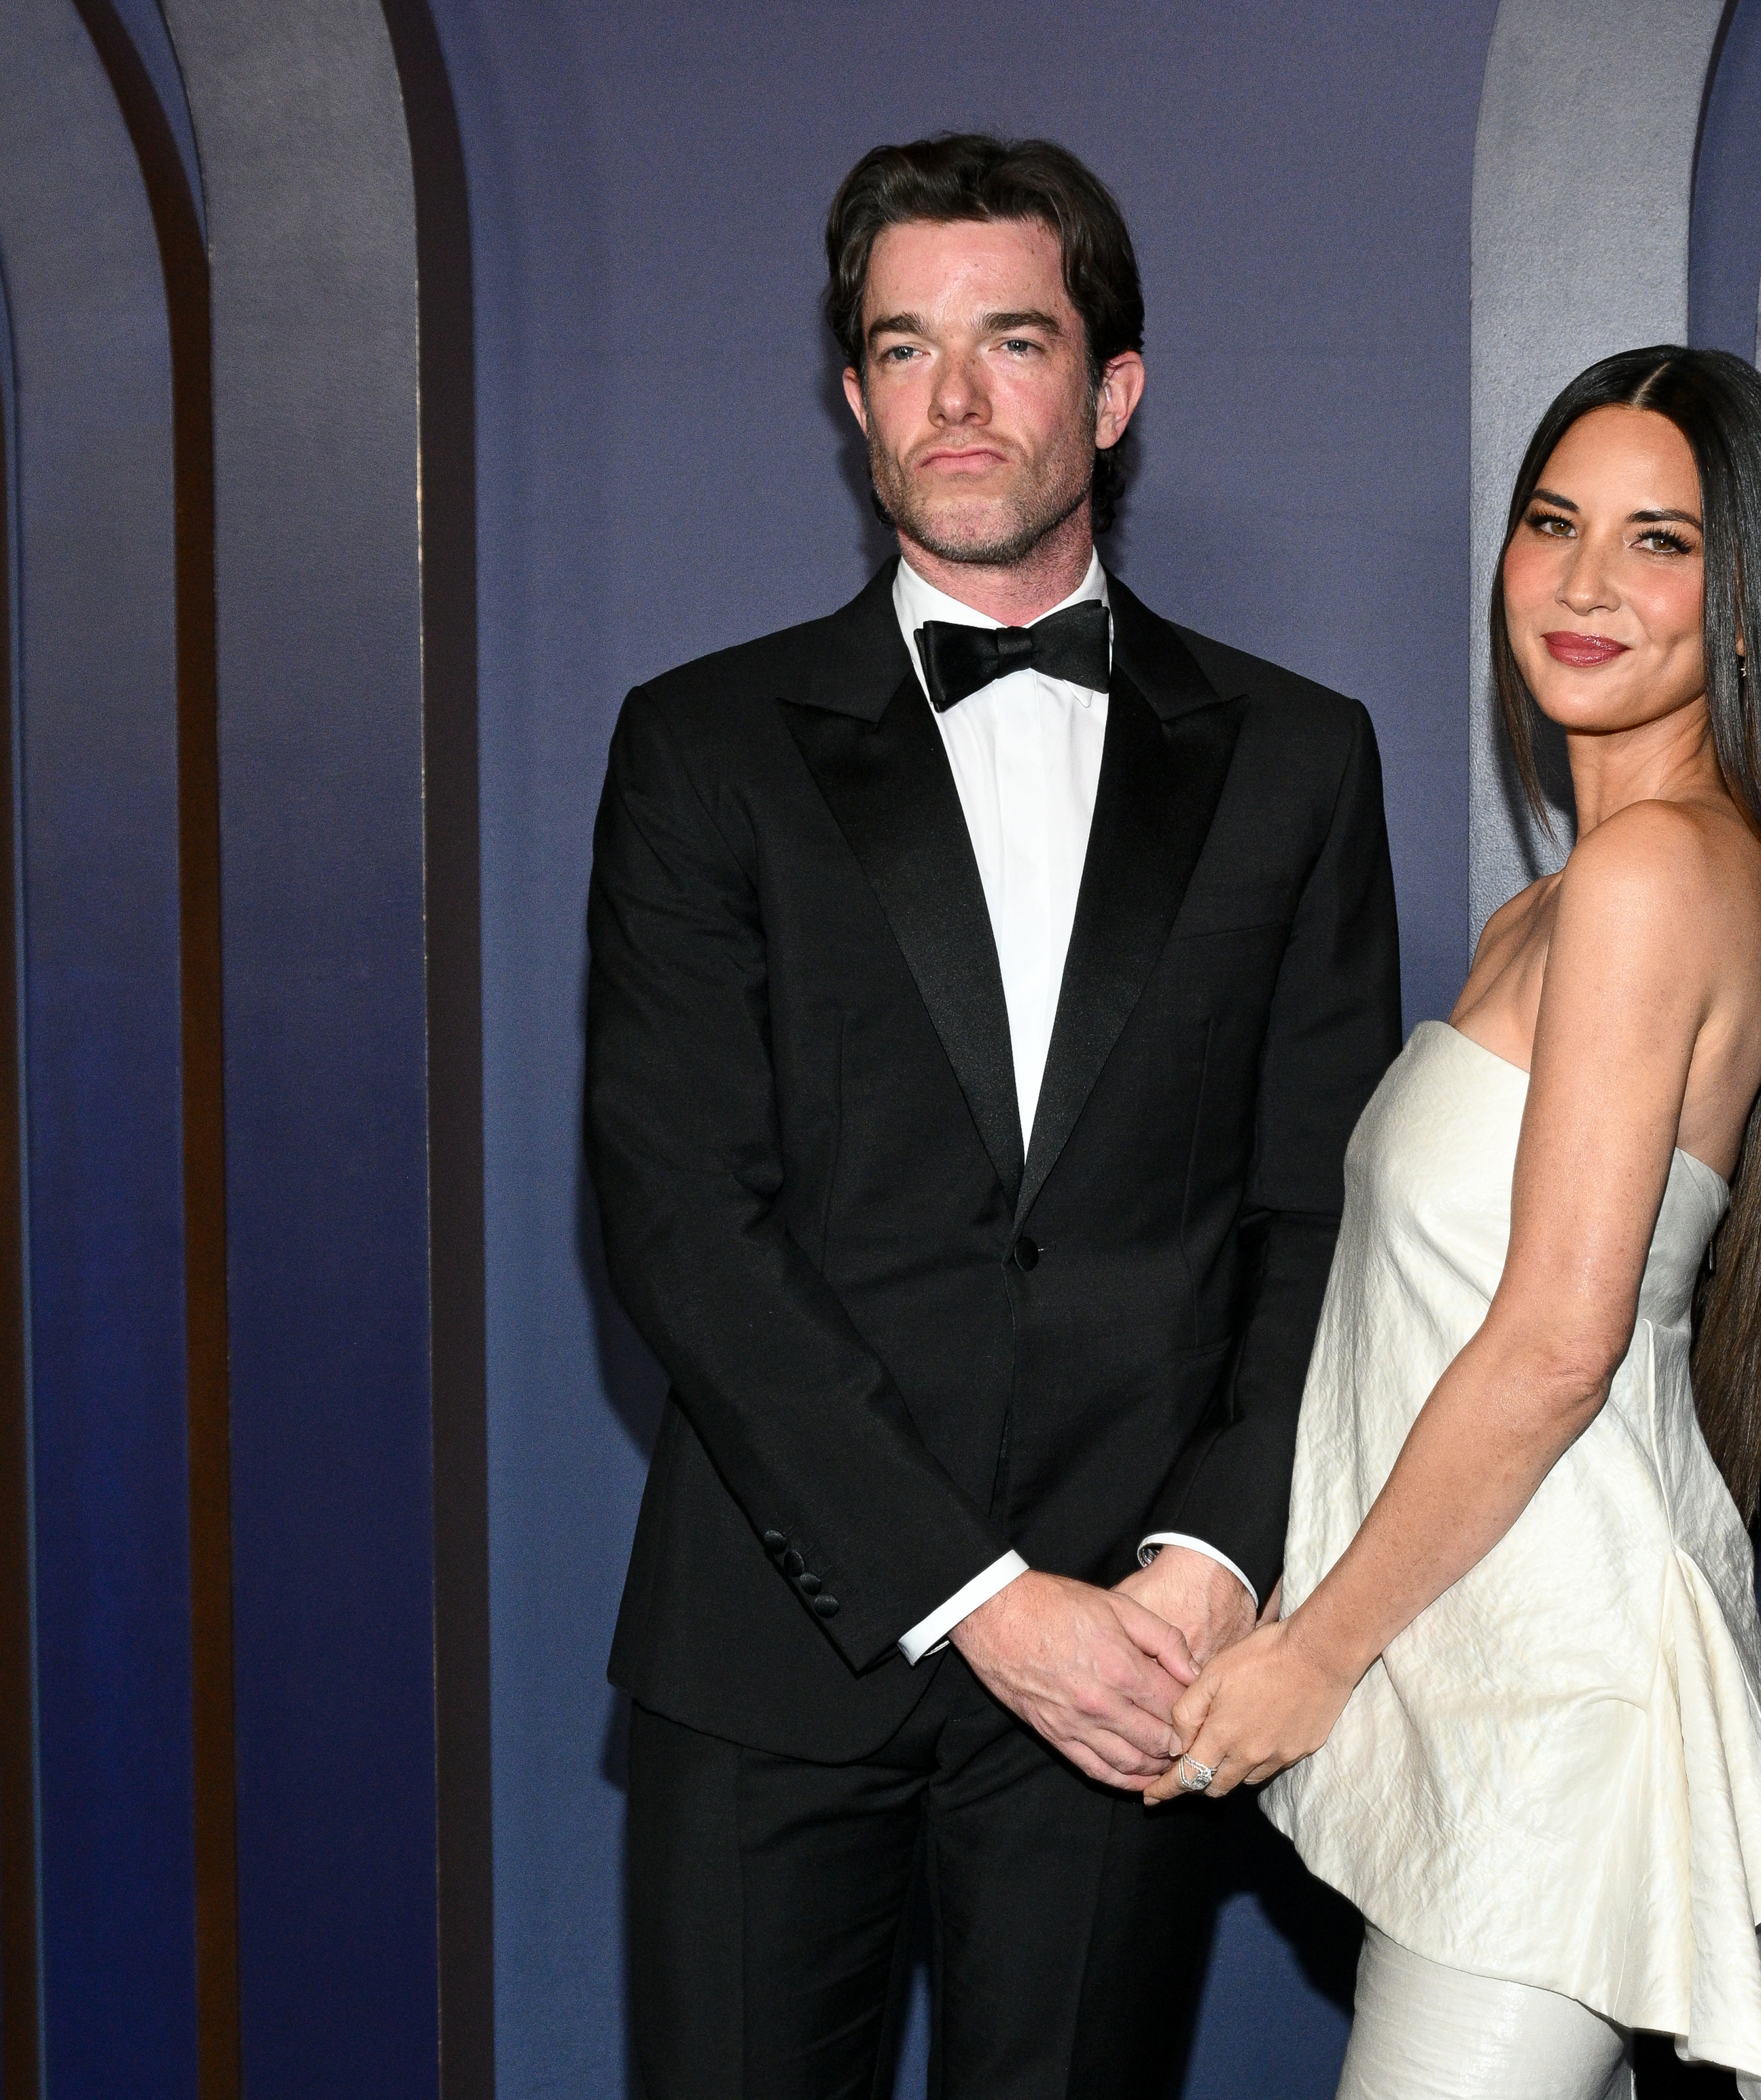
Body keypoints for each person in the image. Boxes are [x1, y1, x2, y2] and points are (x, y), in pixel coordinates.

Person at [585, 134, 1401, 2100]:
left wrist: (1206, 1557)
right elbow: (684, 1218)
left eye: (1011, 340)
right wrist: (975, 1597)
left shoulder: (1297, 760)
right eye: (901, 346)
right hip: (780, 1649)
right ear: (855, 397)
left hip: (1137, 1663)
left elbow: (1324, 1221)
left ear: (1111, 393)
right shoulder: (700, 748)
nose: (954, 396)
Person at [1144, 346, 1761, 2099]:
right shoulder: (1566, 897)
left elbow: (1551, 1342)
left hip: (1554, 1715)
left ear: (1747, 604)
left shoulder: (1647, 878)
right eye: (1553, 523)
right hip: (1501, 1672)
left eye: (1661, 542)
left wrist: (1311, 1655)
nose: (1588, 582)